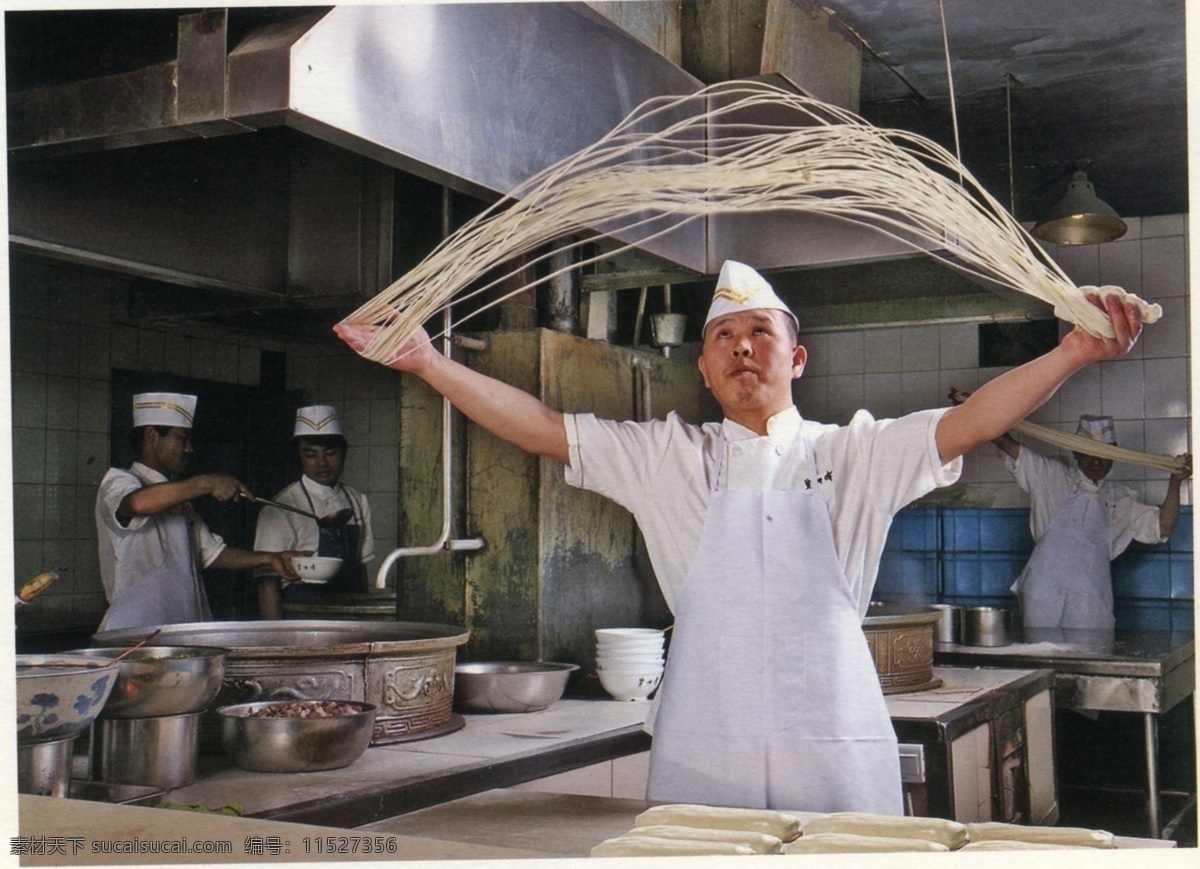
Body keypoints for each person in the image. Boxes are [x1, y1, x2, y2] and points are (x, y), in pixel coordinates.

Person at [335, 258, 1144, 814]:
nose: (742, 347)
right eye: (724, 337)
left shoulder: (852, 452)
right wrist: (430, 364)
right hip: (704, 748)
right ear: (702, 366)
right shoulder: (668, 458)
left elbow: (972, 421)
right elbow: (544, 426)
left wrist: (1073, 350)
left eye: (760, 333)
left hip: (832, 749)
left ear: (797, 358)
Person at [95, 392, 307, 632]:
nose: (189, 449)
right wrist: (207, 483)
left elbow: (213, 554)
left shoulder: (180, 500)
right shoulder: (119, 481)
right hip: (133, 633)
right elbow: (136, 505)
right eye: (182, 439)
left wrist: (270, 558)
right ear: (151, 435)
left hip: (183, 629)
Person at [992, 415, 1190, 631]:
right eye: (1088, 453)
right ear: (1075, 452)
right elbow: (1005, 442)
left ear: (1114, 456)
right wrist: (974, 409)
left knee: (1091, 658)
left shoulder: (1121, 499)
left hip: (1090, 600)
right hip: (1043, 597)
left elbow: (1164, 526)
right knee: (1042, 658)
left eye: (1104, 454)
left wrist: (1174, 483)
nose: (1096, 461)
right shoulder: (1050, 476)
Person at [253, 405, 375, 619]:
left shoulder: (357, 500)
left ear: (344, 453)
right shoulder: (281, 506)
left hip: (350, 616)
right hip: (302, 618)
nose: (322, 463)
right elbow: (267, 582)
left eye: (330, 453)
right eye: (310, 454)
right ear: (299, 457)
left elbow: (361, 568)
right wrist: (276, 637)